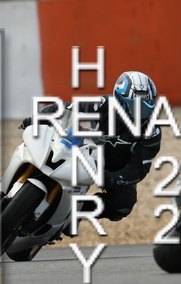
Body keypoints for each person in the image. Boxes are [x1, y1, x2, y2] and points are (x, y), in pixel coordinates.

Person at [21, 71, 161, 226]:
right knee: (49, 144)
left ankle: (72, 214)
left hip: (114, 169)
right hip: (87, 151)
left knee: (123, 205)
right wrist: (37, 118)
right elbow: (68, 108)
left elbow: (139, 167)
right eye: (135, 106)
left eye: (147, 106)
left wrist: (115, 178)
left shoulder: (152, 131)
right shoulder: (103, 103)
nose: (141, 113)